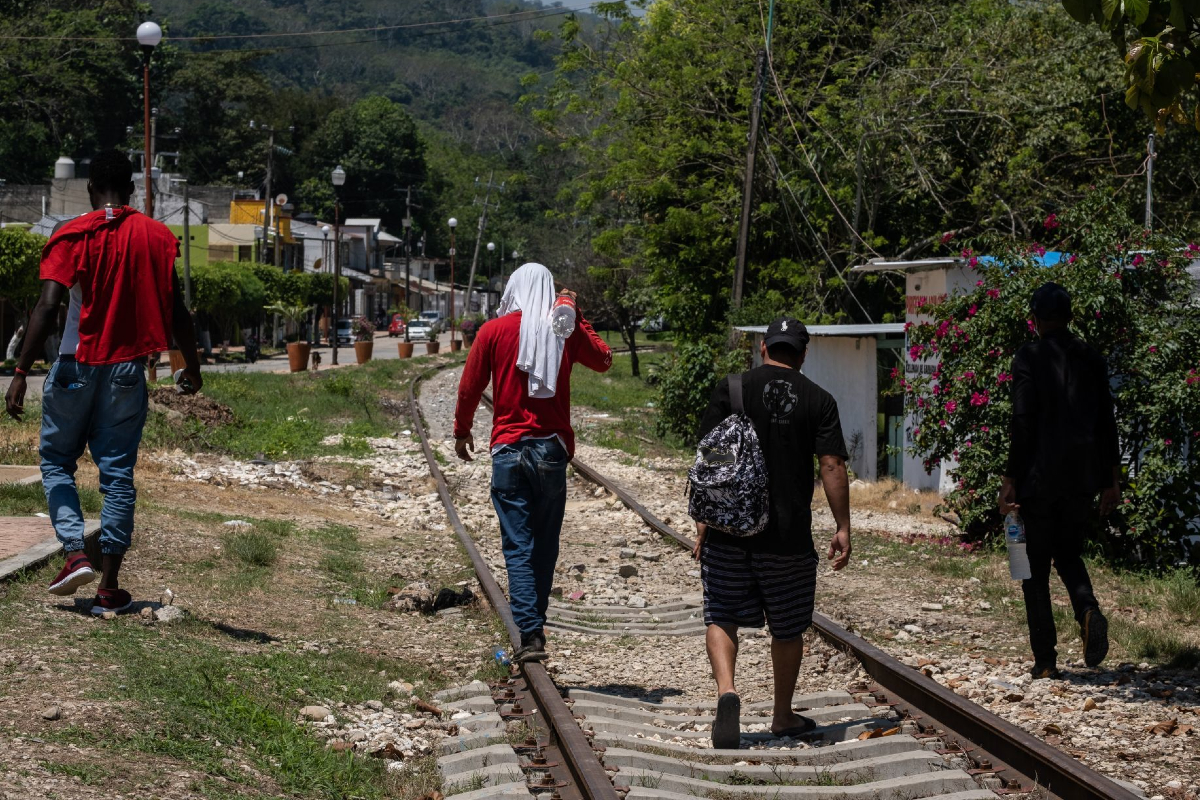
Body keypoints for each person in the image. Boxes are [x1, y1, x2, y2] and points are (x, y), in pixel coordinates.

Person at [4, 149, 202, 615]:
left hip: (74, 365)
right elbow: (178, 313)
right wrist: (190, 365)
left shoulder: (71, 233)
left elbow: (47, 308)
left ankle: (74, 552)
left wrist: (20, 371)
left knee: (56, 463)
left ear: (91, 190)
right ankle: (109, 587)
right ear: (132, 190)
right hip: (128, 371)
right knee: (117, 477)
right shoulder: (156, 237)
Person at [693, 317, 852, 750]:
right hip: (787, 537)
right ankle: (782, 716)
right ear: (802, 355)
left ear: (763, 347)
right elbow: (832, 466)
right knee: (787, 627)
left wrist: (704, 522)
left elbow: (711, 461)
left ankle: (727, 692)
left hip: (730, 531)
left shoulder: (734, 388)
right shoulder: (819, 399)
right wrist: (842, 526)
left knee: (721, 613)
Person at [453, 263, 612, 662]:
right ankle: (533, 625)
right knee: (544, 546)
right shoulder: (563, 328)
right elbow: (604, 359)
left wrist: (462, 429)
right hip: (550, 453)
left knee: (518, 546)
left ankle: (531, 633)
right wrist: (575, 313)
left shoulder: (493, 331)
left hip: (508, 450)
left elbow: (470, 385)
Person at [999, 282, 1118, 678]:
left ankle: (1046, 661)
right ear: (1069, 317)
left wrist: (1011, 476)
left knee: (1032, 568)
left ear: (1035, 319)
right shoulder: (1091, 358)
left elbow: (1023, 419)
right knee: (1068, 554)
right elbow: (1106, 424)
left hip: (1039, 478)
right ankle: (1087, 610)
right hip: (1082, 478)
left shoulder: (1028, 357)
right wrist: (1110, 480)